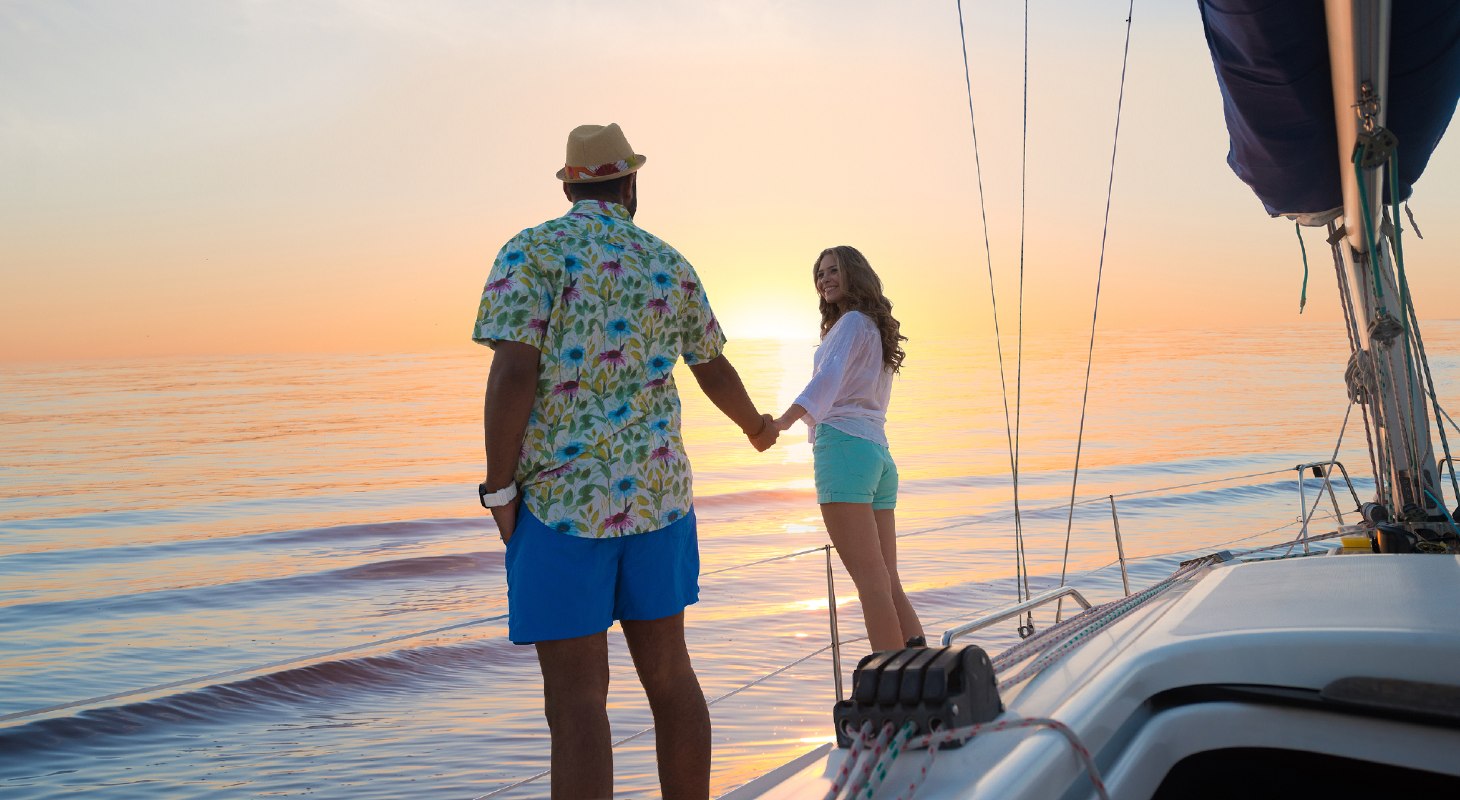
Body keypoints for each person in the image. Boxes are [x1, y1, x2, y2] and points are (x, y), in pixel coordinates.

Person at [472, 122, 777, 800]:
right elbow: (713, 367)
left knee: (578, 701)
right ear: (631, 184)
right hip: (658, 500)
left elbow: (513, 374)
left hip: (561, 505)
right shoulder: (665, 261)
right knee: (671, 680)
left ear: (571, 185)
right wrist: (756, 426)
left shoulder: (532, 251)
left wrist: (500, 491)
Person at [773, 245, 925, 652]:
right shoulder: (873, 328)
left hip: (844, 450)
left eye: (833, 270)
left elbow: (828, 380)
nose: (824, 279)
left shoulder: (852, 324)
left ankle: (892, 681)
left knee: (870, 582)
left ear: (853, 273)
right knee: (887, 578)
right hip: (877, 454)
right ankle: (922, 670)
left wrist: (781, 422)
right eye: (819, 274)